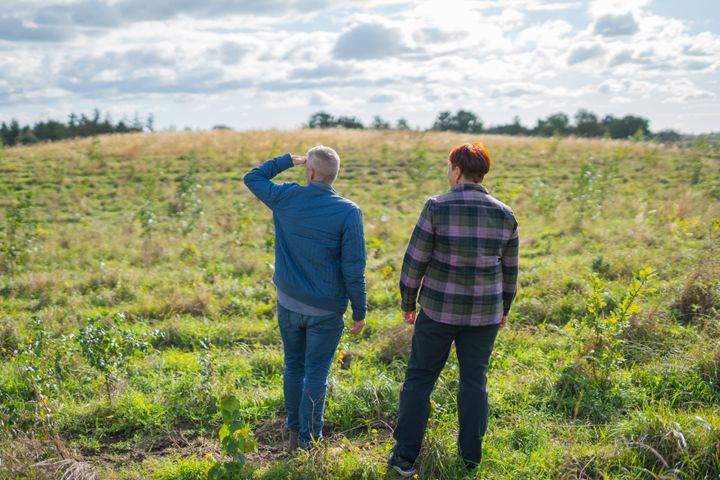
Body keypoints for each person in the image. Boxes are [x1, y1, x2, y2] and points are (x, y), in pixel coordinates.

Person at [389, 142, 519, 476]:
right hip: (485, 314)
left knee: (419, 379)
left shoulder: (436, 207)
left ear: (457, 170)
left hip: (438, 310)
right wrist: (504, 308)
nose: (448, 173)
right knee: (474, 382)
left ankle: (404, 458)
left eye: (449, 167)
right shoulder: (505, 214)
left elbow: (414, 260)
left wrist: (408, 302)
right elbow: (510, 270)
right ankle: (470, 460)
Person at [243, 145, 367, 451]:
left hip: (288, 304)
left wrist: (288, 160)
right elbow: (354, 268)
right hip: (326, 311)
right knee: (316, 373)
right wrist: (359, 310)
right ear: (334, 175)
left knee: (294, 368)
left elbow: (253, 177)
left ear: (309, 172)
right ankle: (311, 443)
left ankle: (294, 435)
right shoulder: (348, 212)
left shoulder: (287, 197)